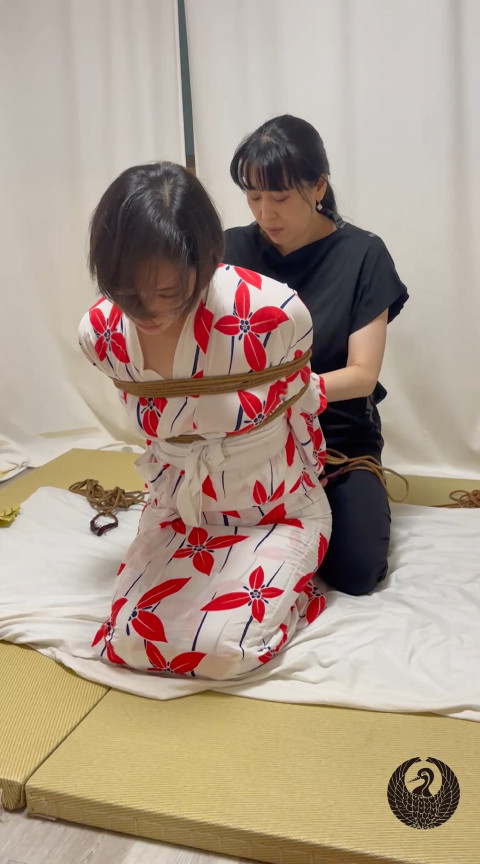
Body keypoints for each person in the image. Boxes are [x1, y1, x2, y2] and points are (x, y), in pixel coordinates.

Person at [78, 161, 331, 680]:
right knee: (128, 642)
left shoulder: (272, 314)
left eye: (167, 293)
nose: (146, 311)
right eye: (128, 292)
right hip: (180, 510)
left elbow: (303, 409)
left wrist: (315, 475)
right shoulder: (100, 332)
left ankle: (298, 594)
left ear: (207, 259)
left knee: (221, 652)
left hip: (273, 507)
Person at [224, 115, 409, 596]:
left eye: (281, 197)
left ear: (319, 186)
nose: (266, 213)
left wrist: (283, 394)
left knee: (357, 570)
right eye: (253, 197)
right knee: (221, 550)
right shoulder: (229, 250)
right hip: (247, 440)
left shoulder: (362, 254)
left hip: (336, 440)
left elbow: (362, 375)